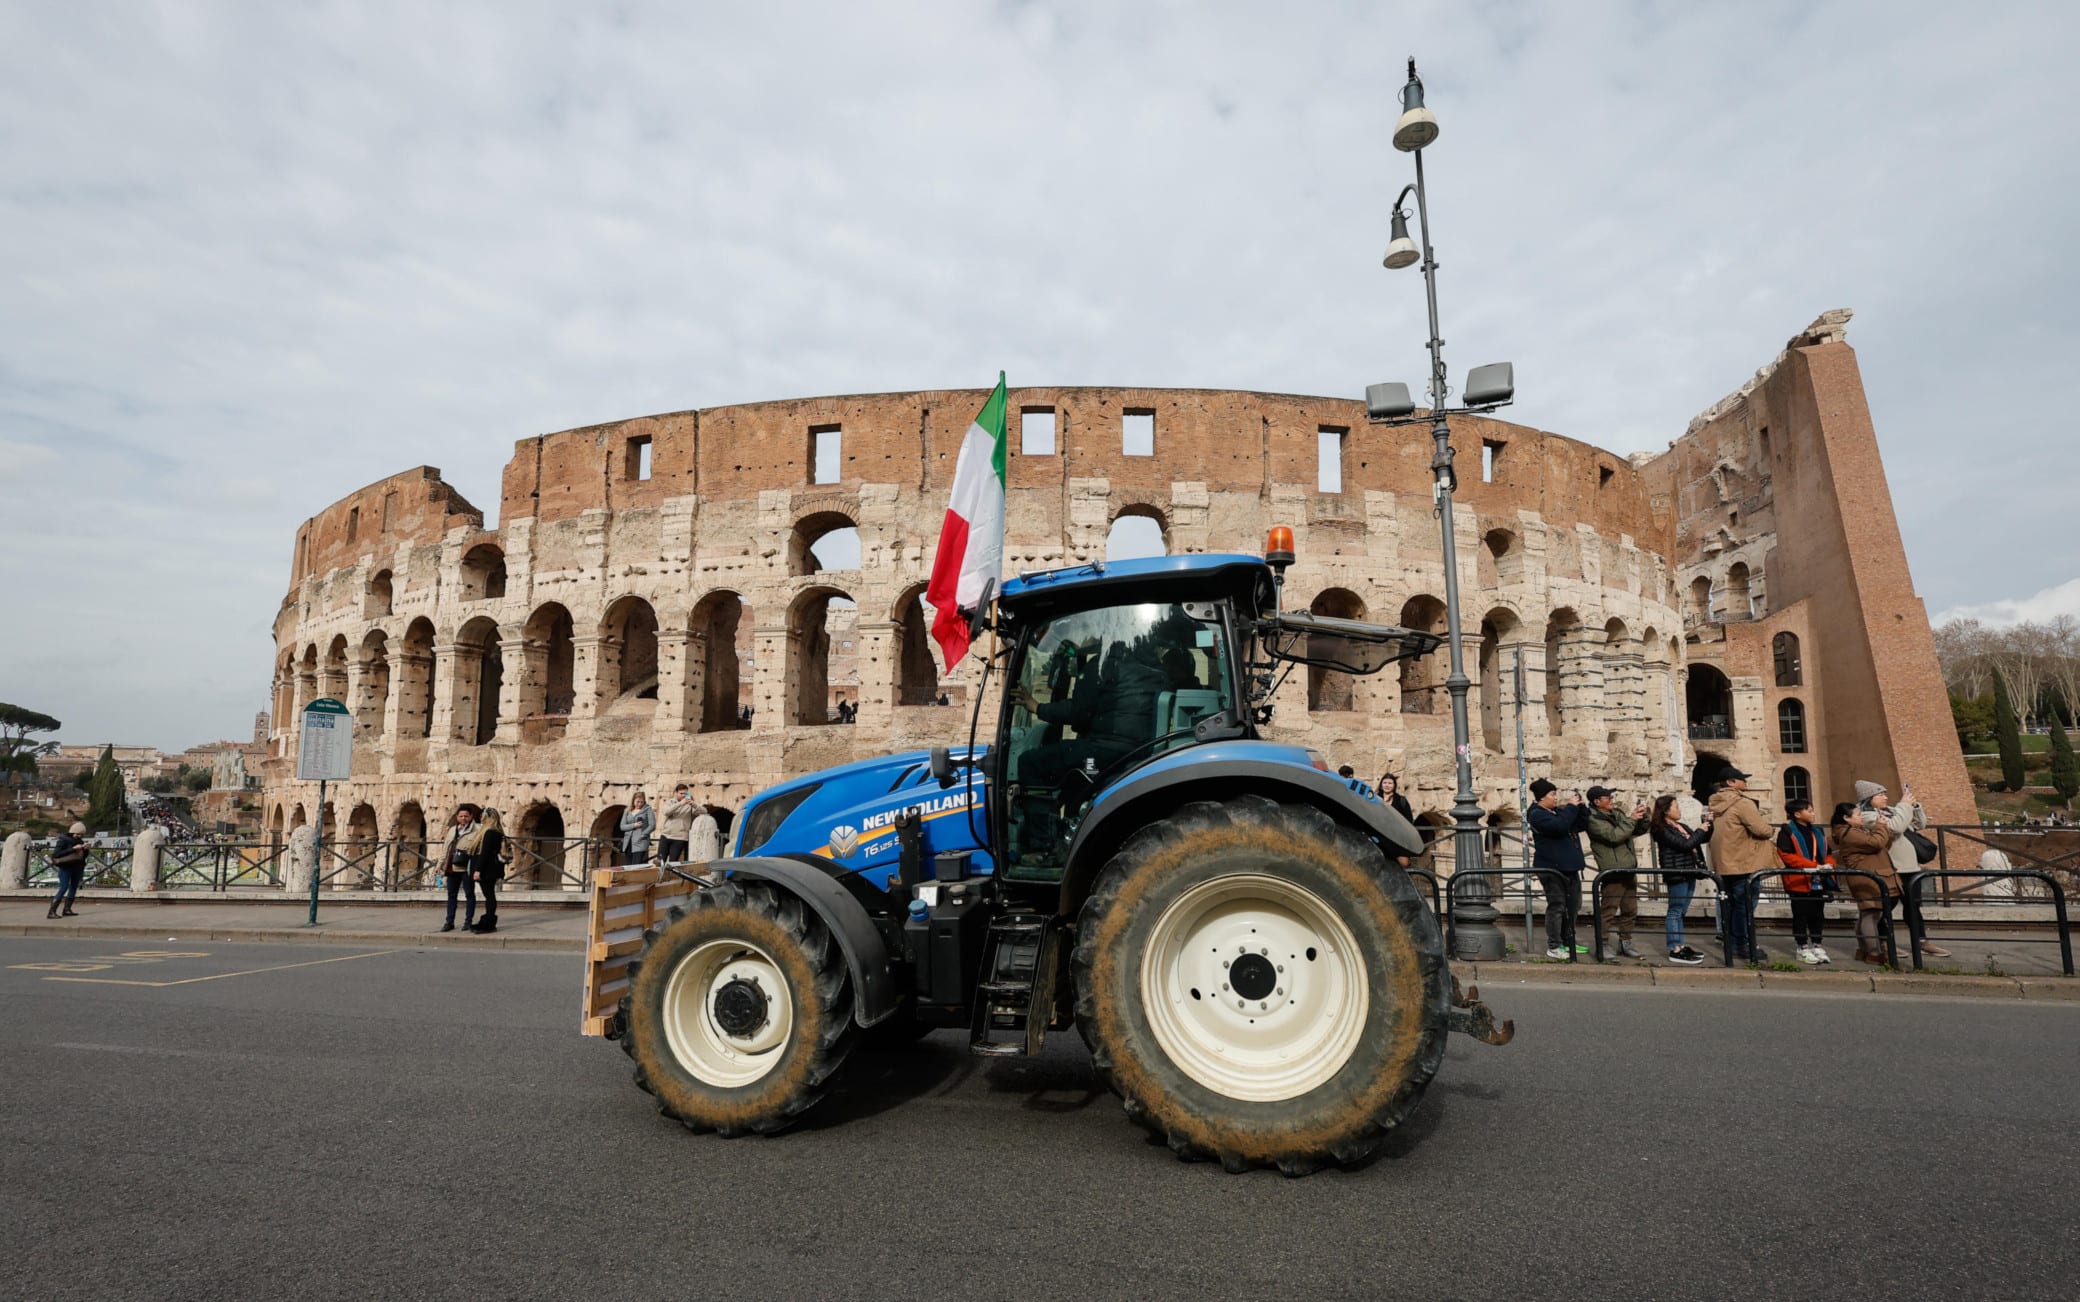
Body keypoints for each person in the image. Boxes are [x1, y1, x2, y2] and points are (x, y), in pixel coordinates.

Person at [1854, 779, 1951, 958]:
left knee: (1913, 907)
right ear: (1869, 798)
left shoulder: (1891, 811)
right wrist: (1903, 806)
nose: (1885, 797)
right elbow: (1896, 827)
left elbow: (1919, 825)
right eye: (1880, 794)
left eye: (1885, 793)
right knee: (1885, 908)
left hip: (1911, 868)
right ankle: (1885, 942)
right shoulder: (1866, 816)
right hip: (1889, 869)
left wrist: (1915, 806)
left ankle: (1921, 941)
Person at [1706, 768, 1776, 963]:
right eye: (1741, 780)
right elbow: (1760, 829)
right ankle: (1743, 945)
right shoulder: (1742, 803)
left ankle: (1731, 942)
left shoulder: (1715, 803)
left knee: (1730, 904)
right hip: (1744, 861)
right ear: (1730, 782)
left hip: (1725, 862)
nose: (1745, 783)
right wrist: (1771, 830)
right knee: (1744, 905)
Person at [1526, 779, 1590, 959]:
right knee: (1557, 906)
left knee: (1573, 905)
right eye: (1552, 795)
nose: (1556, 798)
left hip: (1569, 866)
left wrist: (1581, 808)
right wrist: (1571, 808)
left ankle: (1568, 940)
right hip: (1551, 868)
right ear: (1541, 798)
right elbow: (1560, 826)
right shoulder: (1537, 814)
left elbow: (1580, 825)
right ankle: (1554, 945)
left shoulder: (1558, 812)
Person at [1585, 786, 1650, 960]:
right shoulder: (1592, 819)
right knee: (1608, 910)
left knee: (1630, 910)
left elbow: (1636, 830)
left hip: (1628, 869)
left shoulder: (1618, 814)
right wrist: (1631, 819)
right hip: (1612, 871)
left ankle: (1625, 942)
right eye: (1607, 797)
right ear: (1597, 802)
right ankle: (1603, 943)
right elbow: (1613, 836)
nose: (1611, 798)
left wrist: (1643, 817)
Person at [1833, 800, 1898, 965]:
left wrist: (1883, 829)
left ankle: (1865, 950)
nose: (1861, 818)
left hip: (1870, 875)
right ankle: (1874, 952)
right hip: (1867, 878)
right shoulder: (1850, 834)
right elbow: (1876, 843)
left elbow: (1882, 844)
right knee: (1871, 914)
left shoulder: (1855, 831)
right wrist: (1880, 827)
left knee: (1867, 914)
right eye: (1858, 815)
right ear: (1847, 818)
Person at [1649, 795, 1711, 964]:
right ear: (1666, 810)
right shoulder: (1660, 829)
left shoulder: (1680, 826)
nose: (1679, 810)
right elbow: (1685, 845)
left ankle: (1680, 945)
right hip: (1676, 872)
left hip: (1689, 870)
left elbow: (1699, 839)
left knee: (1681, 910)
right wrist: (1700, 830)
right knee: (1675, 910)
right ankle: (1674, 947)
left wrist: (1708, 825)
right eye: (1676, 807)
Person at [1775, 798, 1834, 965]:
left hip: (1818, 880)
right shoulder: (1787, 831)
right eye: (1809, 810)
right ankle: (1802, 946)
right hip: (1799, 880)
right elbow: (1786, 855)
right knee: (1800, 914)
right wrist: (1814, 865)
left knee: (1818, 914)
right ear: (1797, 814)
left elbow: (1828, 852)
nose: (1813, 813)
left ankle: (1817, 944)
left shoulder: (1818, 832)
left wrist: (1830, 865)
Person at [438, 804, 483, 933]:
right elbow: (446, 849)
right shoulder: (452, 830)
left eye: (466, 816)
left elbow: (480, 849)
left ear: (471, 817)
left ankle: (468, 921)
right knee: (451, 895)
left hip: (467, 867)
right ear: (457, 817)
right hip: (452, 867)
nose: (463, 818)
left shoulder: (478, 829)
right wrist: (439, 866)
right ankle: (449, 921)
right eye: (461, 816)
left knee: (469, 894)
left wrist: (478, 868)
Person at [469, 808, 506, 934]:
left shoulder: (489, 833)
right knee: (490, 895)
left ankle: (489, 922)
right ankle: (489, 919)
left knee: (489, 895)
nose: (481, 818)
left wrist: (478, 870)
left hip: (487, 869)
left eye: (482, 816)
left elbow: (485, 853)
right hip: (494, 867)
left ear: (487, 817)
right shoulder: (498, 831)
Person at [47, 821, 89, 918]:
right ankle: (51, 911)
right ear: (72, 832)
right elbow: (57, 854)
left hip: (77, 866)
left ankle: (67, 909)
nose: (79, 836)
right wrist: (73, 849)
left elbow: (82, 856)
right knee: (64, 887)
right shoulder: (63, 840)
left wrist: (86, 849)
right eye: (77, 834)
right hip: (65, 866)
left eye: (81, 834)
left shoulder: (80, 842)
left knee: (73, 887)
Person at [658, 784, 696, 865]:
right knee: (659, 862)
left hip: (680, 838)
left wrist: (694, 805)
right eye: (681, 793)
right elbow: (666, 812)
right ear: (676, 793)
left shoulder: (690, 805)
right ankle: (659, 878)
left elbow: (704, 811)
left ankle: (669, 878)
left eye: (685, 794)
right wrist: (680, 804)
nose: (683, 795)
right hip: (665, 835)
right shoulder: (669, 802)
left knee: (672, 864)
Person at [618, 791, 655, 867]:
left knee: (636, 865)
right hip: (628, 842)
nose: (639, 804)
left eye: (642, 802)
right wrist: (633, 825)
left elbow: (652, 825)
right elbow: (622, 826)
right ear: (633, 801)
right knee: (628, 865)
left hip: (640, 841)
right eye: (637, 802)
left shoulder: (648, 809)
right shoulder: (627, 810)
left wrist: (643, 834)